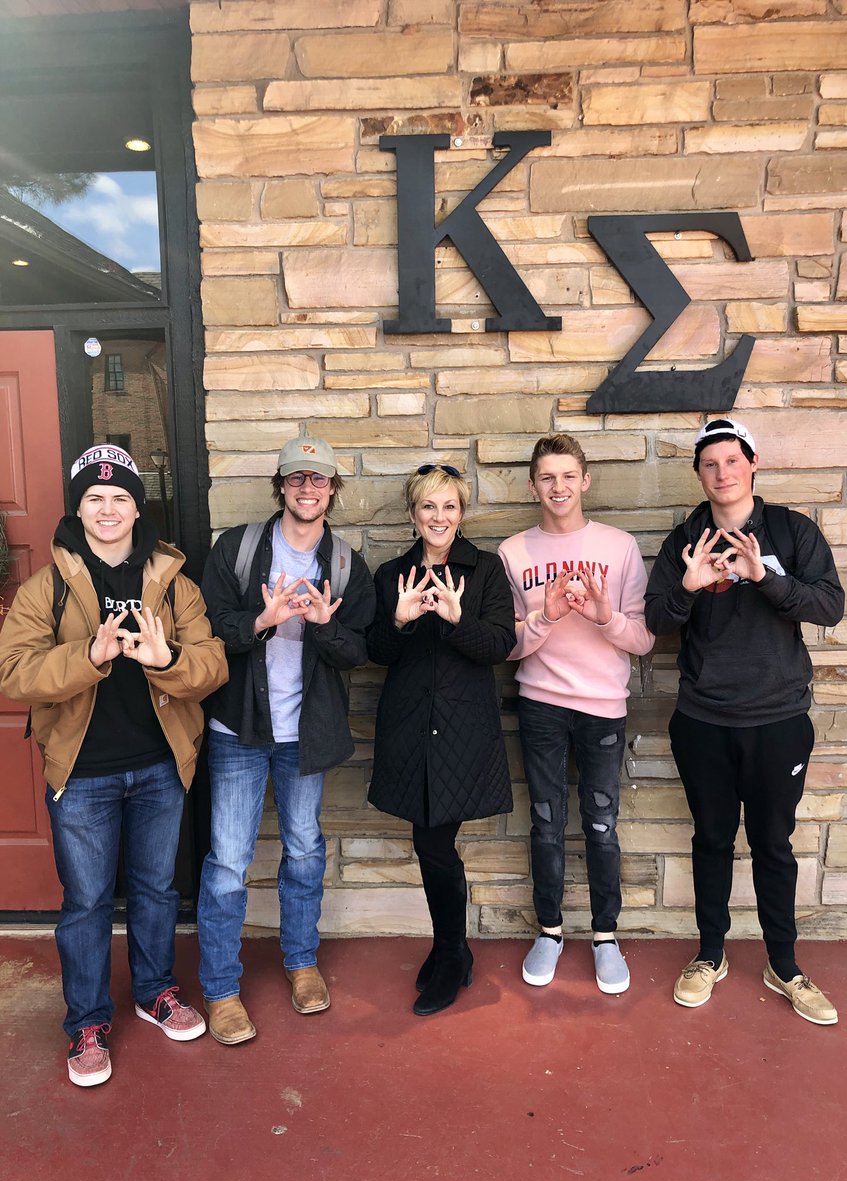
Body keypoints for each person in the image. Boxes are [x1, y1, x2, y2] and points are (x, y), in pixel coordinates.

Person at [0, 444, 227, 1088]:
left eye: (120, 498)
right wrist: (89, 657)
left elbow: (213, 664)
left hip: (159, 765)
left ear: (136, 508)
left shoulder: (173, 583)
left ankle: (155, 992)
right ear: (79, 508)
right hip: (83, 774)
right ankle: (87, 1023)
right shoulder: (46, 588)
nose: (108, 509)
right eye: (95, 498)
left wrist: (165, 660)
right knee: (88, 901)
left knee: (157, 890)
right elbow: (13, 672)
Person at [644, 417, 845, 1024]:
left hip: (779, 718)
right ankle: (710, 955)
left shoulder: (790, 529)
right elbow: (656, 620)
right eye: (710, 464)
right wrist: (688, 587)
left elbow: (830, 606)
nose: (722, 472)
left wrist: (766, 577)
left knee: (772, 844)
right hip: (704, 719)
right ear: (699, 474)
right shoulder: (686, 537)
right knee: (710, 838)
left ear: (752, 464)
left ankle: (783, 964)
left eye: (732, 461)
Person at [197, 436, 374, 1045]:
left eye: (318, 480)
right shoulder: (237, 549)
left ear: (332, 490)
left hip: (307, 734)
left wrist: (323, 628)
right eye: (296, 479)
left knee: (303, 851)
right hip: (238, 733)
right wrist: (261, 623)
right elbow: (209, 628)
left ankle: (301, 962)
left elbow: (360, 650)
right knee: (227, 862)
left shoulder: (347, 564)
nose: (307, 489)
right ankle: (221, 990)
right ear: (281, 486)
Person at [498, 434, 654, 994]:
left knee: (601, 824)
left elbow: (641, 639)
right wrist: (545, 615)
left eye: (568, 475)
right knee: (544, 822)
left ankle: (605, 936)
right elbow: (508, 645)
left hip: (603, 709)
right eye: (547, 477)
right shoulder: (514, 552)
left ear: (585, 480)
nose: (558, 487)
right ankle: (550, 930)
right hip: (540, 703)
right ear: (533, 484)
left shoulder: (619, 546)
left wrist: (606, 617)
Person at [367, 465, 515, 1016]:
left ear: (461, 512)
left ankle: (452, 953)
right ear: (413, 515)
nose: (439, 517)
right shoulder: (391, 574)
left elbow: (499, 644)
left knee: (434, 844)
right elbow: (375, 651)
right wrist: (401, 621)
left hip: (461, 730)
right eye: (428, 507)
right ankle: (451, 947)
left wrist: (456, 620)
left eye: (449, 507)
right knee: (428, 842)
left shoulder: (486, 570)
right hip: (409, 728)